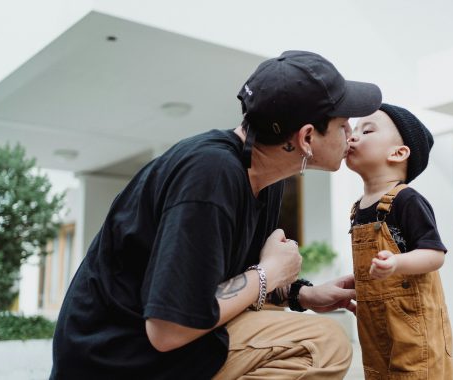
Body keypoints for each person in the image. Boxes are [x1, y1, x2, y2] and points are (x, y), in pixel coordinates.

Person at [50, 50, 382, 379]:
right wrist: (270, 271)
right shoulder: (210, 176)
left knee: (290, 321)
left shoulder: (265, 177)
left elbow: (225, 281)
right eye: (342, 124)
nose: (351, 134)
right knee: (322, 344)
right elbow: (169, 329)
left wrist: (301, 294)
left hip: (152, 349)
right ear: (307, 137)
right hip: (117, 359)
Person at [345, 103, 453, 379]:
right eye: (353, 130)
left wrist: (397, 262)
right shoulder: (358, 207)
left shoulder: (406, 199)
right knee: (377, 372)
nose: (352, 136)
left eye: (367, 130)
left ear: (398, 153)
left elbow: (434, 254)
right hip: (373, 324)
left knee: (415, 373)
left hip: (412, 323)